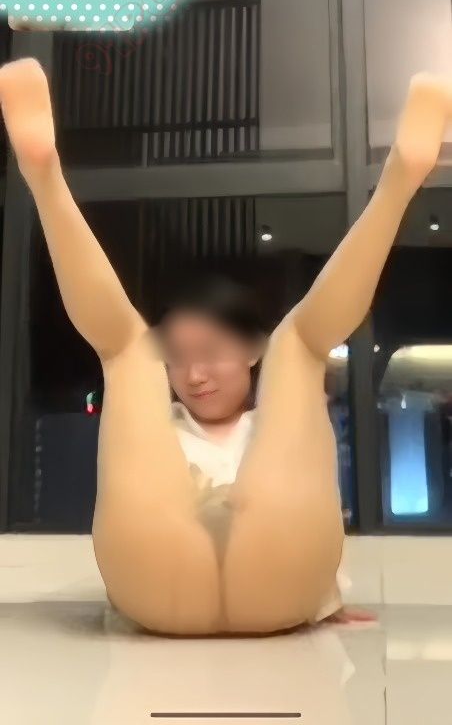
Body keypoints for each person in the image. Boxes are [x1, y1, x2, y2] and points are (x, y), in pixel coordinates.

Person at [0, 57, 449, 636]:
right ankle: (44, 173)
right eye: (178, 358)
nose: (194, 374)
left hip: (246, 576)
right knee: (150, 350)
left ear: (249, 351)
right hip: (182, 572)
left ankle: (399, 181)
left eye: (211, 352)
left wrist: (326, 595)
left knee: (277, 346)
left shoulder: (278, 426)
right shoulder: (160, 432)